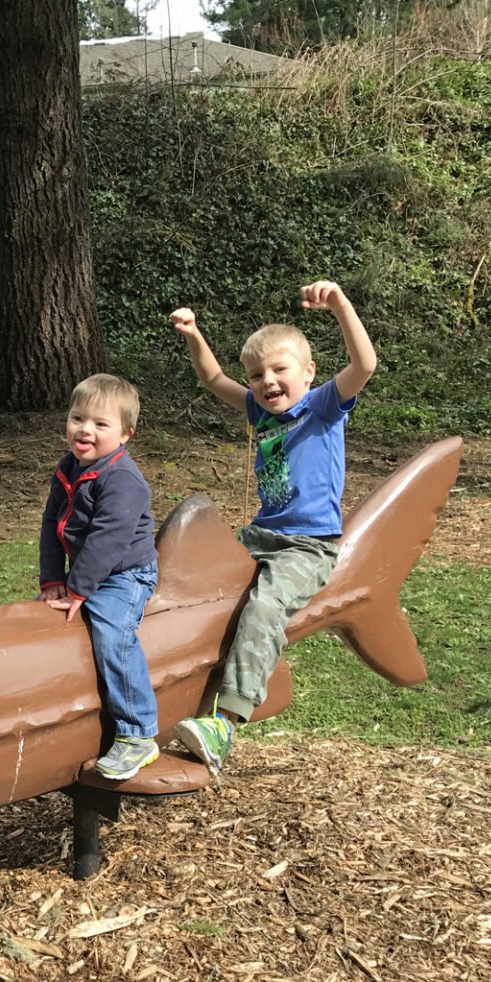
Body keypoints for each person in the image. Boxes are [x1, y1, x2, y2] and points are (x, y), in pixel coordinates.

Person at [168, 280, 377, 774]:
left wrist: (341, 306)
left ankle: (225, 723)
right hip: (261, 535)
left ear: (308, 372)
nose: (267, 381)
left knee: (263, 607)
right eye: (258, 374)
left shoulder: (323, 406)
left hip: (306, 546)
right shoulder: (259, 411)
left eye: (280, 370)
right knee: (203, 583)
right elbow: (213, 378)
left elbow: (365, 364)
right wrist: (194, 334)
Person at [38, 373, 161, 780]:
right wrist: (53, 578)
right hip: (87, 568)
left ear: (126, 434)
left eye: (100, 424)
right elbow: (50, 525)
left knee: (112, 633)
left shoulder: (122, 480)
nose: (85, 429)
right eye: (78, 418)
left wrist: (78, 590)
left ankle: (138, 732)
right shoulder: (68, 468)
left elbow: (109, 541)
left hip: (126, 573)